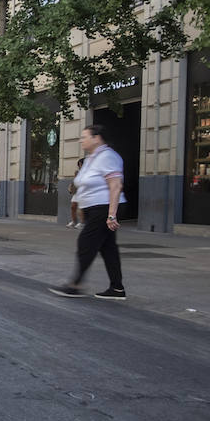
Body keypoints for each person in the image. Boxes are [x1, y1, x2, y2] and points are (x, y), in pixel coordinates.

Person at [48, 124, 127, 299]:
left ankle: (75, 284)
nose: (81, 140)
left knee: (86, 243)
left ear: (96, 138)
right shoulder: (92, 158)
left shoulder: (107, 156)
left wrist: (111, 215)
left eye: (84, 137)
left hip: (104, 207)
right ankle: (117, 288)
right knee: (108, 248)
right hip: (95, 208)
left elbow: (115, 186)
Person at [67, 157, 85, 229]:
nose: (80, 166)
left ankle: (82, 223)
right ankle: (74, 221)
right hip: (77, 192)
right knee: (73, 207)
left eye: (81, 164)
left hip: (84, 191)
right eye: (79, 165)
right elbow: (74, 182)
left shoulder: (88, 172)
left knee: (81, 208)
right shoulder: (78, 172)